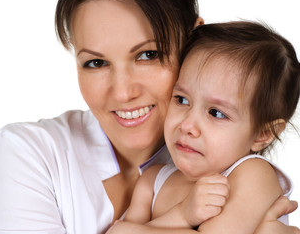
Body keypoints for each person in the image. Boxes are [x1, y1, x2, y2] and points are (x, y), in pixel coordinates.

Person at [0, 0, 300, 233]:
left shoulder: (238, 170)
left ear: (191, 42)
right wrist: (182, 216)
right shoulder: (28, 153)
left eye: (148, 54)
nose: (122, 92)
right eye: (96, 62)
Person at [107, 21, 300, 233]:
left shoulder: (253, 175)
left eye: (216, 113)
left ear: (262, 134)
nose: (187, 125)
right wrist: (182, 214)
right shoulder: (152, 181)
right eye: (181, 100)